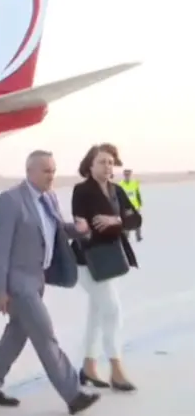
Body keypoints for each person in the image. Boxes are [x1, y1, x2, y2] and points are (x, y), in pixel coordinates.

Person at [0, 150, 101, 415]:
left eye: (53, 171)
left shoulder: (49, 198)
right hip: (18, 282)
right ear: (30, 172)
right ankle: (73, 394)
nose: (51, 176)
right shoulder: (11, 200)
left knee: (16, 334)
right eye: (46, 171)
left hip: (38, 278)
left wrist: (79, 230)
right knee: (45, 335)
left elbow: (56, 230)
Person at [71, 143, 141, 391]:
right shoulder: (81, 190)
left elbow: (135, 219)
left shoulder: (117, 190)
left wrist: (116, 220)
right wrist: (92, 226)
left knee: (98, 313)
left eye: (111, 162)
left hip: (111, 258)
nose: (107, 166)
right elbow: (81, 223)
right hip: (88, 260)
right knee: (112, 310)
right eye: (102, 162)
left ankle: (89, 366)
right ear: (90, 166)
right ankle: (116, 369)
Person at [118, 167, 142, 241]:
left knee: (137, 221)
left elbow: (137, 194)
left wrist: (140, 203)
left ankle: (138, 236)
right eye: (126, 174)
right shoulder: (120, 184)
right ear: (124, 175)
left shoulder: (135, 183)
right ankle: (126, 237)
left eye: (128, 174)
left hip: (135, 206)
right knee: (127, 221)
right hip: (126, 207)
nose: (127, 175)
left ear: (130, 174)